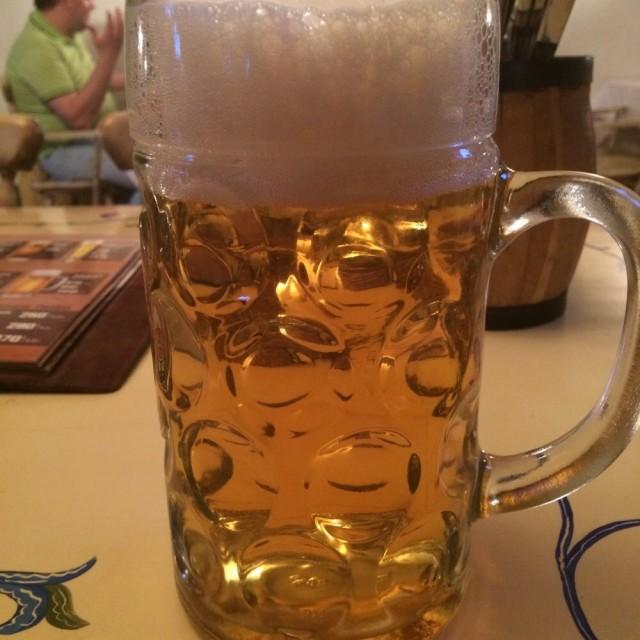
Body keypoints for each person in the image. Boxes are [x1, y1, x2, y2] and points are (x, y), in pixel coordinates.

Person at [5, 0, 140, 203]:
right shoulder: (36, 48)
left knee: (159, 165)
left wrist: (146, 82)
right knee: (149, 178)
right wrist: (108, 55)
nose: (92, 5)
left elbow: (95, 82)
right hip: (63, 150)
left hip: (93, 142)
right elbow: (79, 118)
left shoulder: (67, 36)